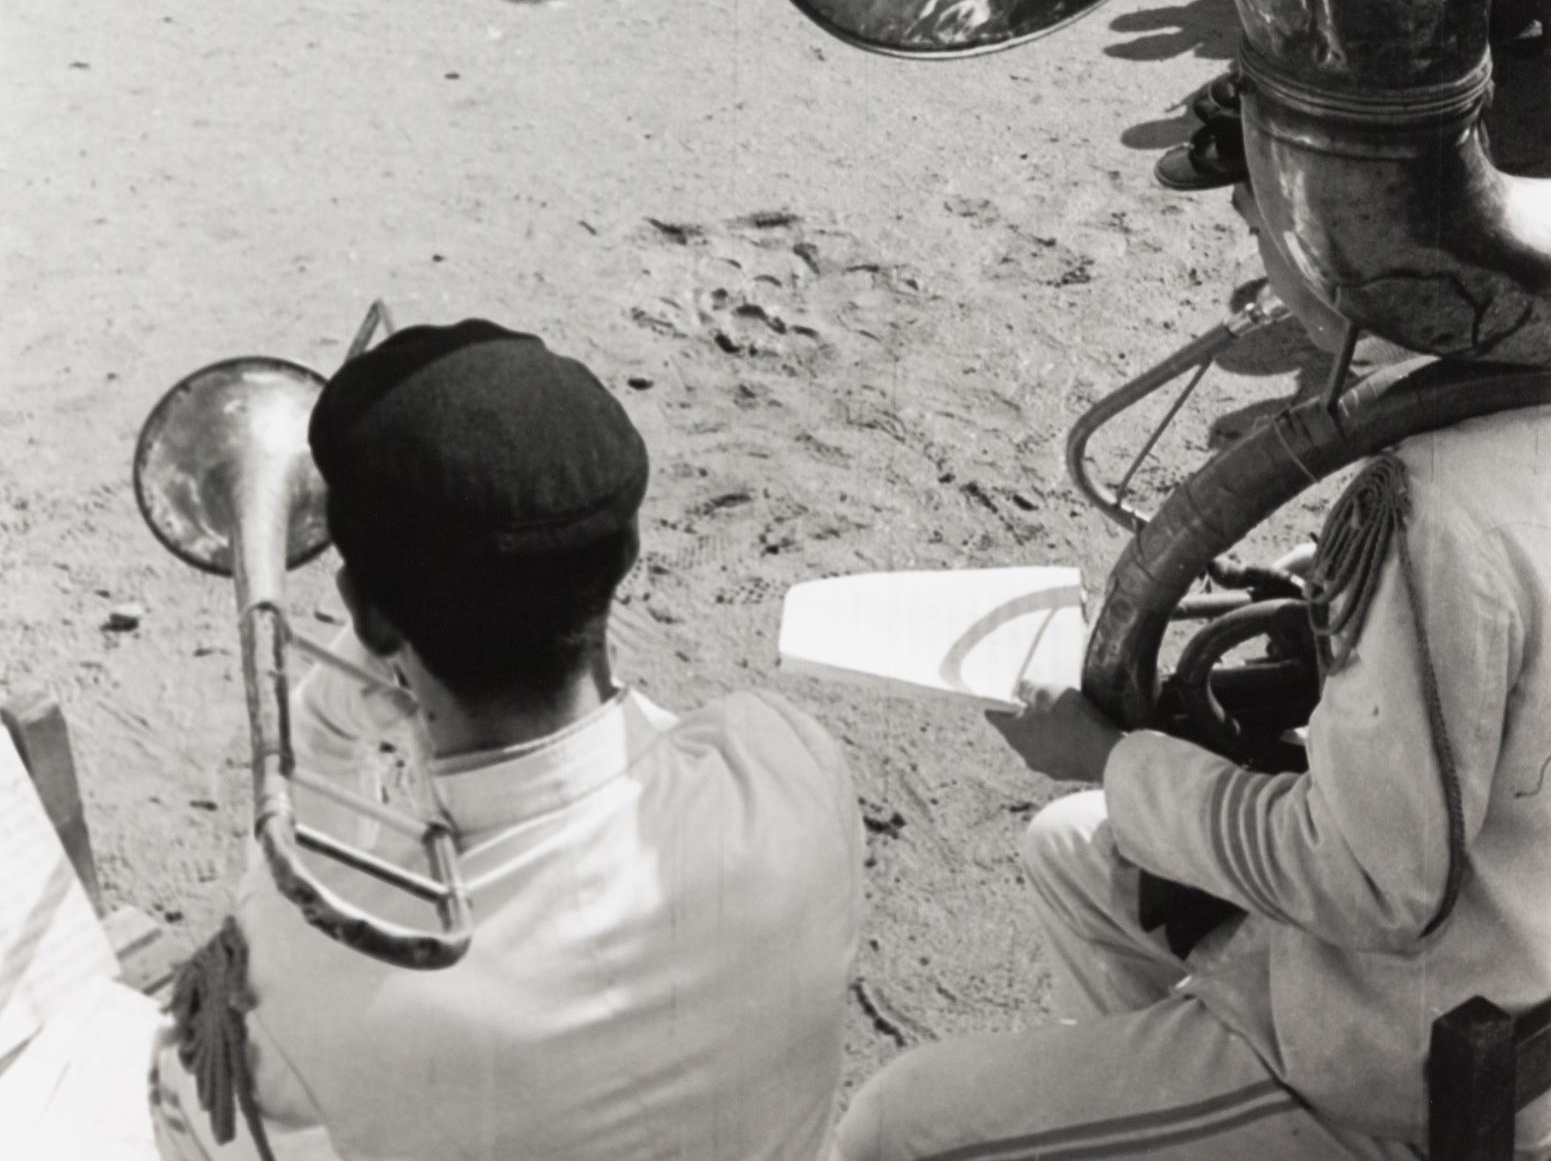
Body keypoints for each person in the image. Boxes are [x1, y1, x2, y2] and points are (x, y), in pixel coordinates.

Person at [836, 195, 1551, 1161]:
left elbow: (1374, 886)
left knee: (901, 1120)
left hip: (1407, 1062)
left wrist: (1109, 759)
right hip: (1520, 945)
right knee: (1071, 854)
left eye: (1260, 227)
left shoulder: (1430, 508)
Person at [148, 320, 861, 1161]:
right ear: (626, 555)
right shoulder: (787, 767)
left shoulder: (316, 964)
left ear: (364, 612)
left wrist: (366, 655)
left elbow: (186, 1115)